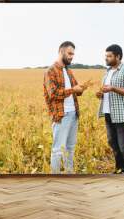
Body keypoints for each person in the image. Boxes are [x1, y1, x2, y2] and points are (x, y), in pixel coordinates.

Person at [96, 44, 124, 177]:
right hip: (109, 114)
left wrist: (113, 88)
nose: (106, 58)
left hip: (123, 116)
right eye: (106, 56)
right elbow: (108, 92)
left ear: (118, 56)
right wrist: (101, 95)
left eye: (109, 56)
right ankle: (121, 170)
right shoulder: (108, 72)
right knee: (113, 144)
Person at [43, 41, 87, 174]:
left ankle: (69, 174)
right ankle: (55, 178)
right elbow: (53, 94)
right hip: (61, 115)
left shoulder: (68, 71)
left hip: (73, 114)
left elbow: (75, 90)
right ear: (61, 52)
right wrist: (73, 89)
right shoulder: (50, 71)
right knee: (57, 150)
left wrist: (81, 88)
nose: (71, 57)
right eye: (69, 53)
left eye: (73, 54)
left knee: (70, 148)